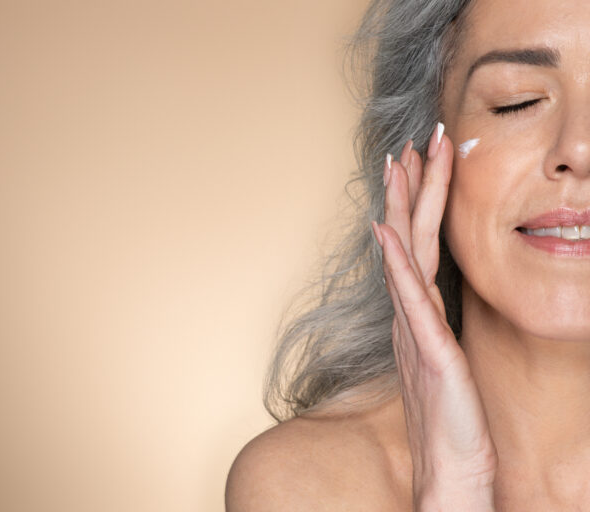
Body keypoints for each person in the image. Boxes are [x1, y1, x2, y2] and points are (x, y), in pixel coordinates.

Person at [225, 0, 590, 509]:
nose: (579, 149)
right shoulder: (304, 485)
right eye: (517, 101)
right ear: (420, 150)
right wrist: (452, 488)